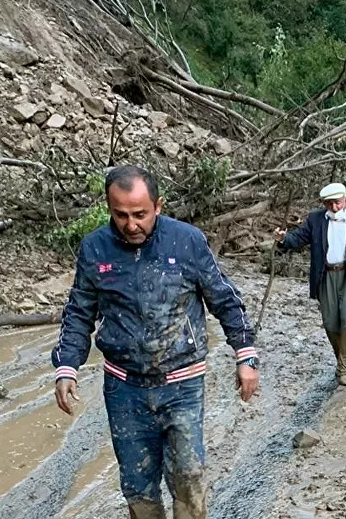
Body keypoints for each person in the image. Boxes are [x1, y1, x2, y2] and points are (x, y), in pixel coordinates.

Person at [50, 165, 259, 519]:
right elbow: (79, 313)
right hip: (124, 389)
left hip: (182, 383)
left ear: (158, 206)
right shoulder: (95, 249)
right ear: (108, 208)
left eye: (140, 215)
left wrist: (245, 354)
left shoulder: (187, 241)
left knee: (189, 476)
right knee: (137, 483)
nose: (131, 225)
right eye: (121, 215)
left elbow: (223, 297)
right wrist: (67, 366)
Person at [274, 182, 346, 386]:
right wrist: (284, 239)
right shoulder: (316, 219)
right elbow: (299, 238)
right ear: (324, 203)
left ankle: (345, 368)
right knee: (330, 323)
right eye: (330, 204)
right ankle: (343, 358)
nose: (335, 207)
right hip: (326, 276)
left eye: (338, 202)